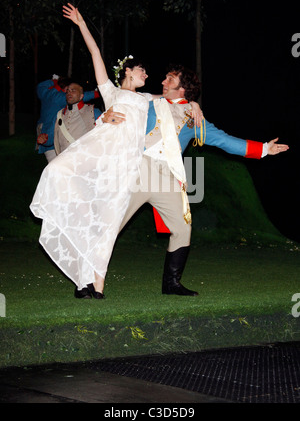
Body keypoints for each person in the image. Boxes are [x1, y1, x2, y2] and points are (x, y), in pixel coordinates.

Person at [30, 4, 202, 301]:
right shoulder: (111, 92)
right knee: (56, 171)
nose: (147, 73)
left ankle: (93, 286)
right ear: (127, 73)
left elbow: (178, 99)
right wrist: (82, 23)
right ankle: (86, 281)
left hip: (127, 170)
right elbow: (96, 54)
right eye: (141, 69)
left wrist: (195, 105)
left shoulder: (148, 99)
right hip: (104, 157)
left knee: (107, 226)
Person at [102, 64, 289, 297]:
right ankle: (89, 279)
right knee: (112, 225)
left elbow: (223, 140)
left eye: (170, 79)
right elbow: (121, 105)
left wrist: (262, 149)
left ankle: (171, 284)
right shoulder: (147, 103)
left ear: (183, 88)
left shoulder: (193, 117)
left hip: (168, 176)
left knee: (182, 227)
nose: (163, 82)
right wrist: (105, 116)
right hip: (140, 170)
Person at [36, 75, 100, 162]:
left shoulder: (46, 93)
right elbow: (84, 96)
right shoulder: (59, 107)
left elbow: (40, 86)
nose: (69, 93)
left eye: (72, 90)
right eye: (67, 91)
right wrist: (98, 93)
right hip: (52, 137)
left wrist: (54, 81)